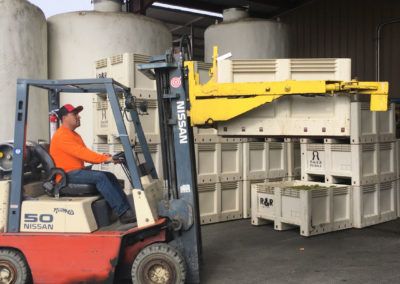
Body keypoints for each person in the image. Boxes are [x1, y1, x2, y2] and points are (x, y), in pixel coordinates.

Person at [50, 104, 136, 224]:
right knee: (101, 178)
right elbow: (82, 153)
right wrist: (105, 159)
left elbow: (86, 155)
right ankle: (123, 213)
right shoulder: (61, 136)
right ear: (64, 118)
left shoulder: (74, 135)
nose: (78, 116)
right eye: (75, 114)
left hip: (77, 172)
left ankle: (127, 210)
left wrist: (106, 157)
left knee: (109, 176)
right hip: (66, 175)